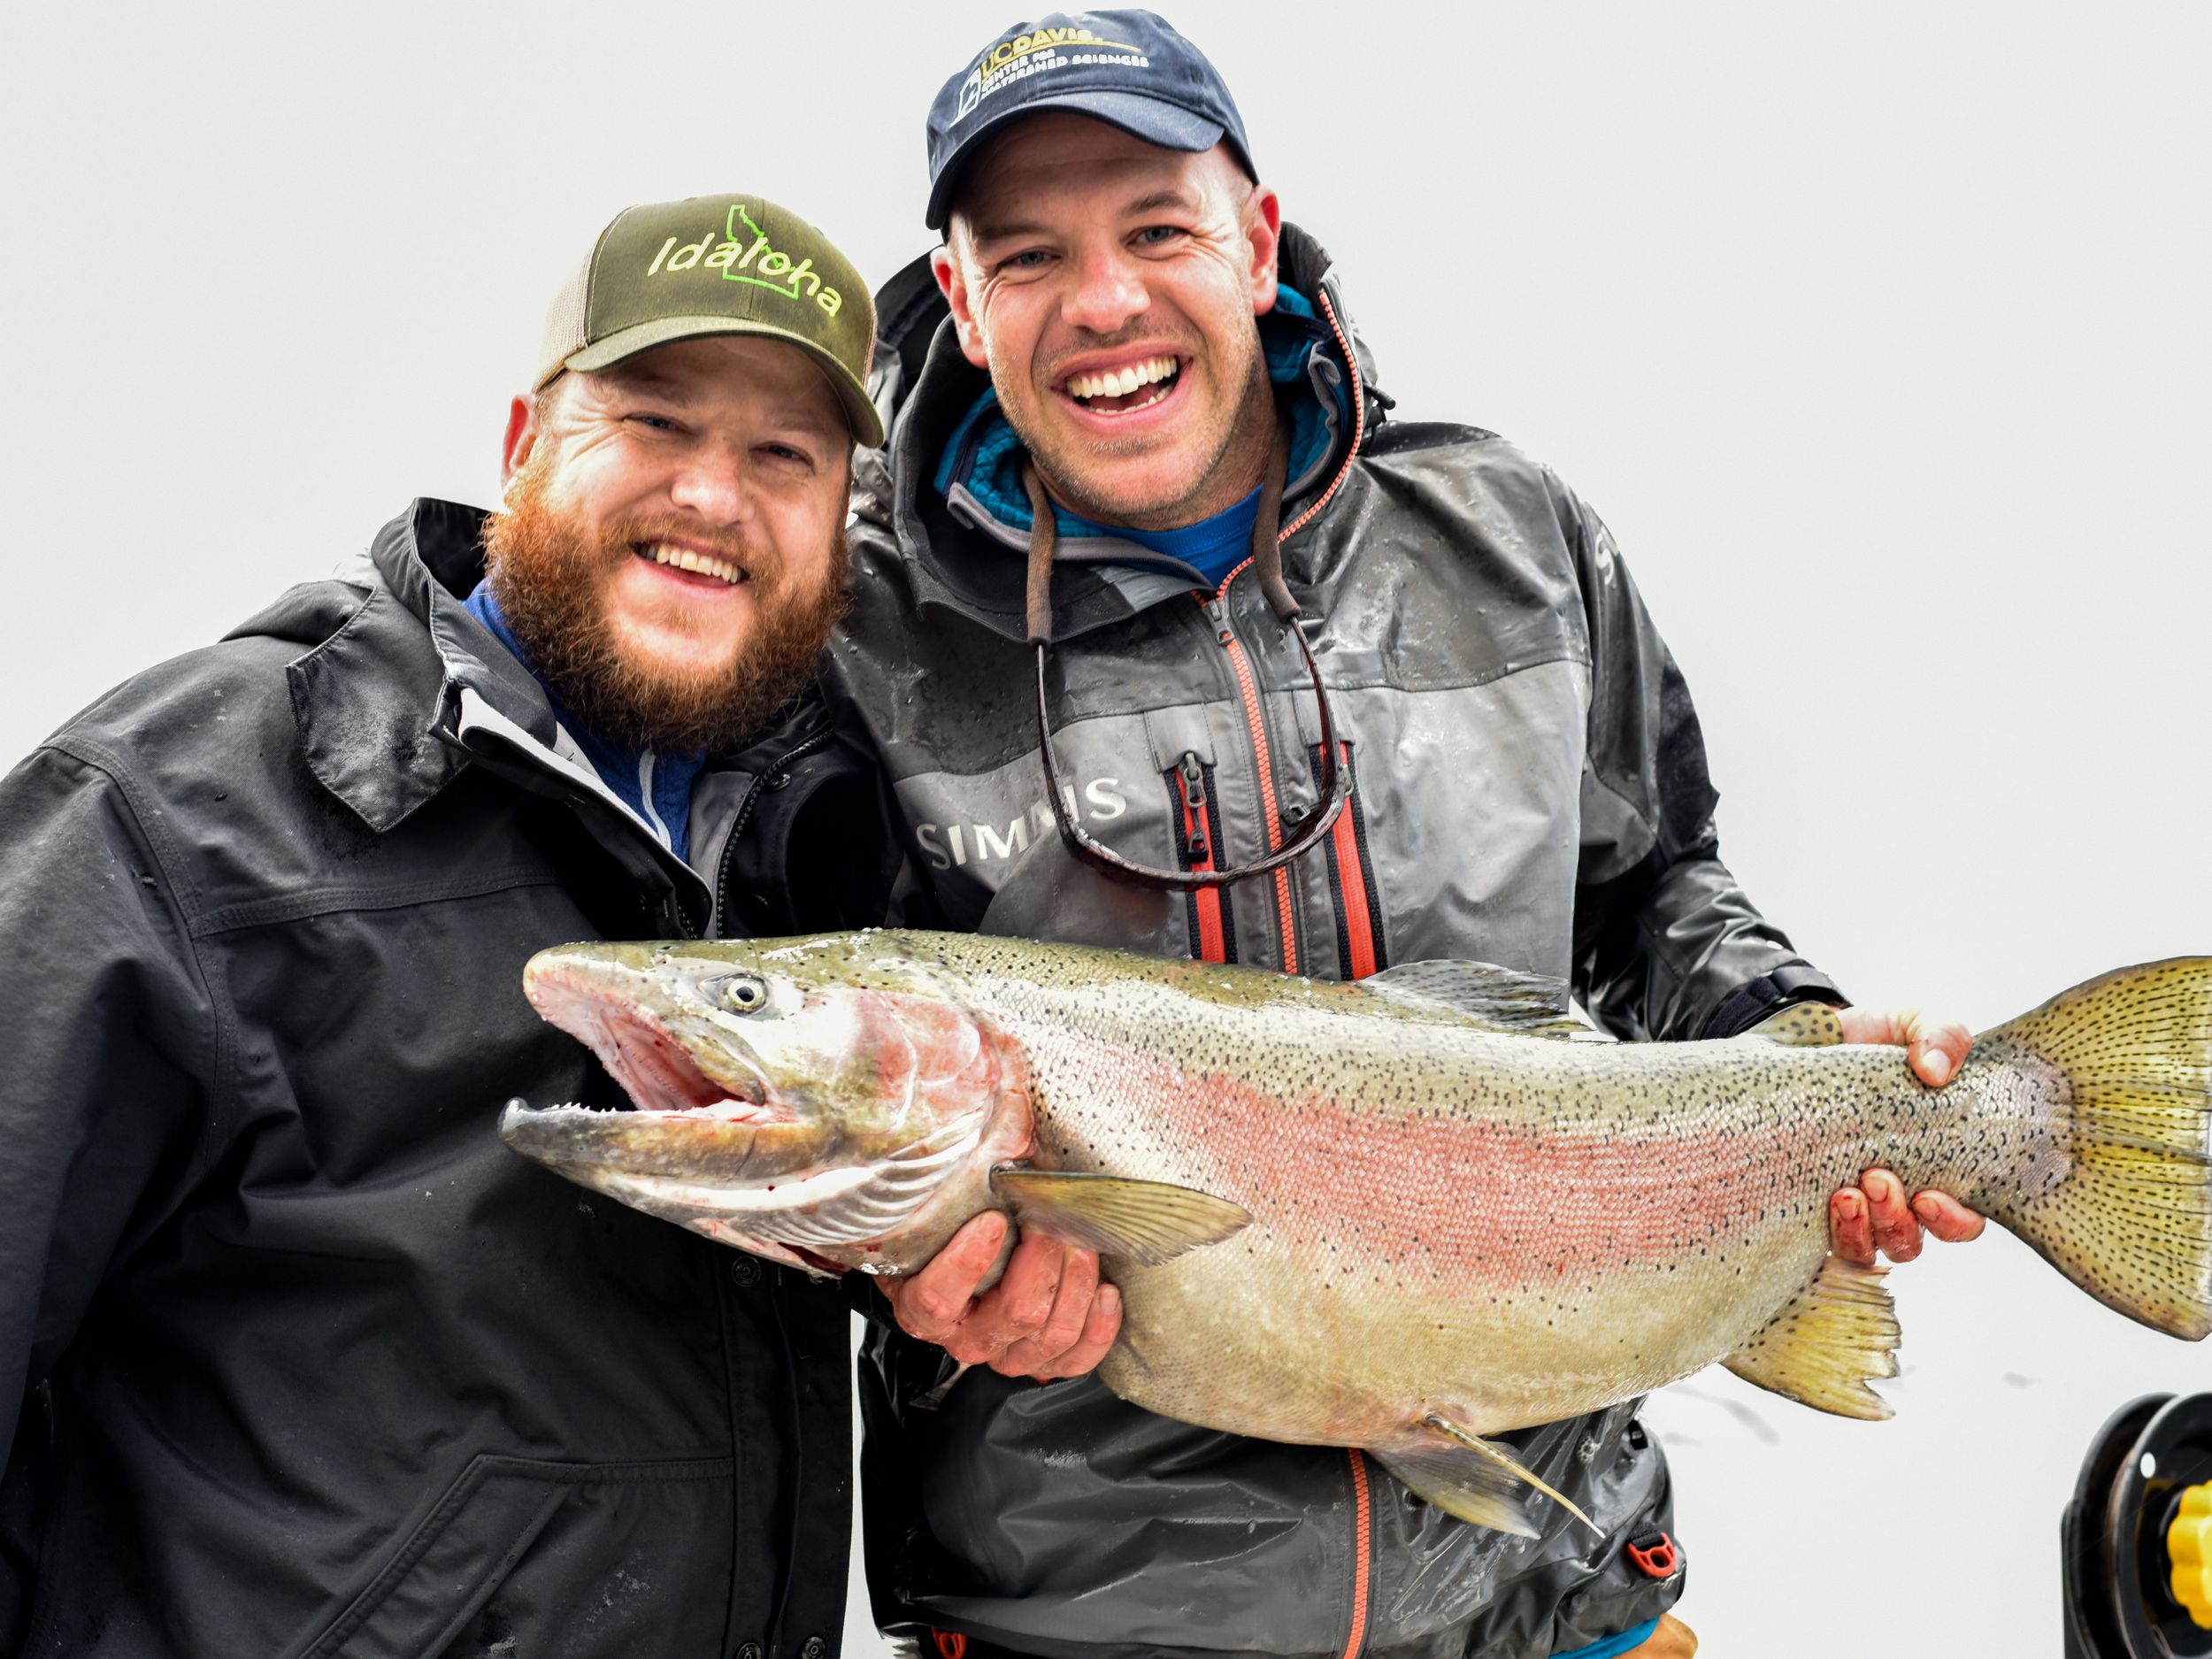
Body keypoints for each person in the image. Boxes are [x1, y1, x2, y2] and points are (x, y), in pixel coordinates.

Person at [824, 16, 1985, 1659]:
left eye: (1158, 228)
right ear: (960, 296)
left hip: (1560, 1593)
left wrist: (1789, 1047)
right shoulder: (861, 643)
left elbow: (1653, 891)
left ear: (1256, 232)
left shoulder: (1509, 537)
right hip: (1088, 1624)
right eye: (1029, 257)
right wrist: (903, 1285)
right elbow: (803, 1130)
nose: (1103, 303)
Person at [0, 193, 1113, 1656]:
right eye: (655, 421)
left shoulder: (816, 873)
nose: (714, 497)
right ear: (526, 445)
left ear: (841, 523)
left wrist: (953, 1279)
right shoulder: (186, 803)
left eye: (783, 455)